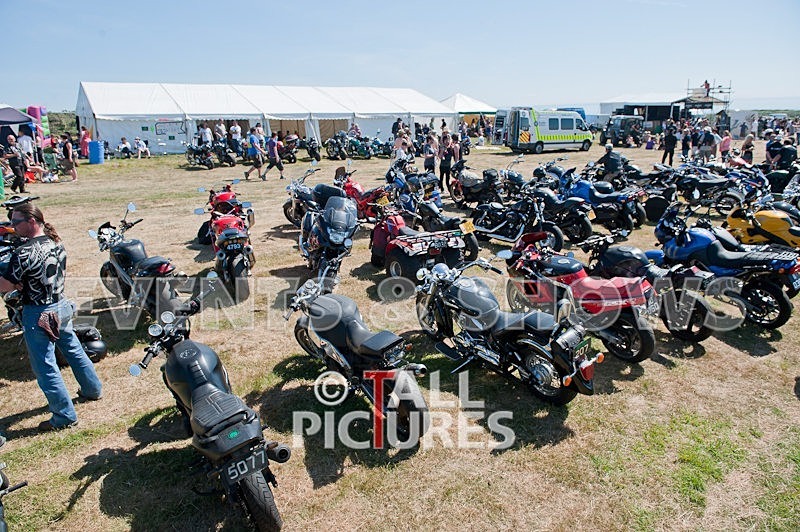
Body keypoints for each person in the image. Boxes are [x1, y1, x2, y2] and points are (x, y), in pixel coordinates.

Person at [0, 202, 102, 431]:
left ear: (31, 222)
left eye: (16, 222)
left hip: (38, 312)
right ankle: (92, 389)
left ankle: (64, 416)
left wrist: (15, 282)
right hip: (61, 305)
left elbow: (6, 286)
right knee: (74, 350)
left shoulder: (23, 252)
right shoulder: (56, 242)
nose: (13, 227)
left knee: (45, 366)